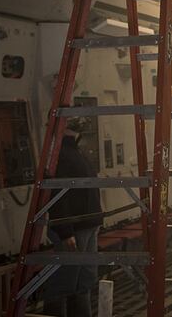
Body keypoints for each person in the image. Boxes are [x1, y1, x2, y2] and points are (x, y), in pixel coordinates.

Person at [43, 117, 102, 317]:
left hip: (88, 224)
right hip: (74, 228)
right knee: (65, 280)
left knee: (85, 279)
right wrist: (65, 231)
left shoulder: (75, 152)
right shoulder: (60, 156)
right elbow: (58, 195)